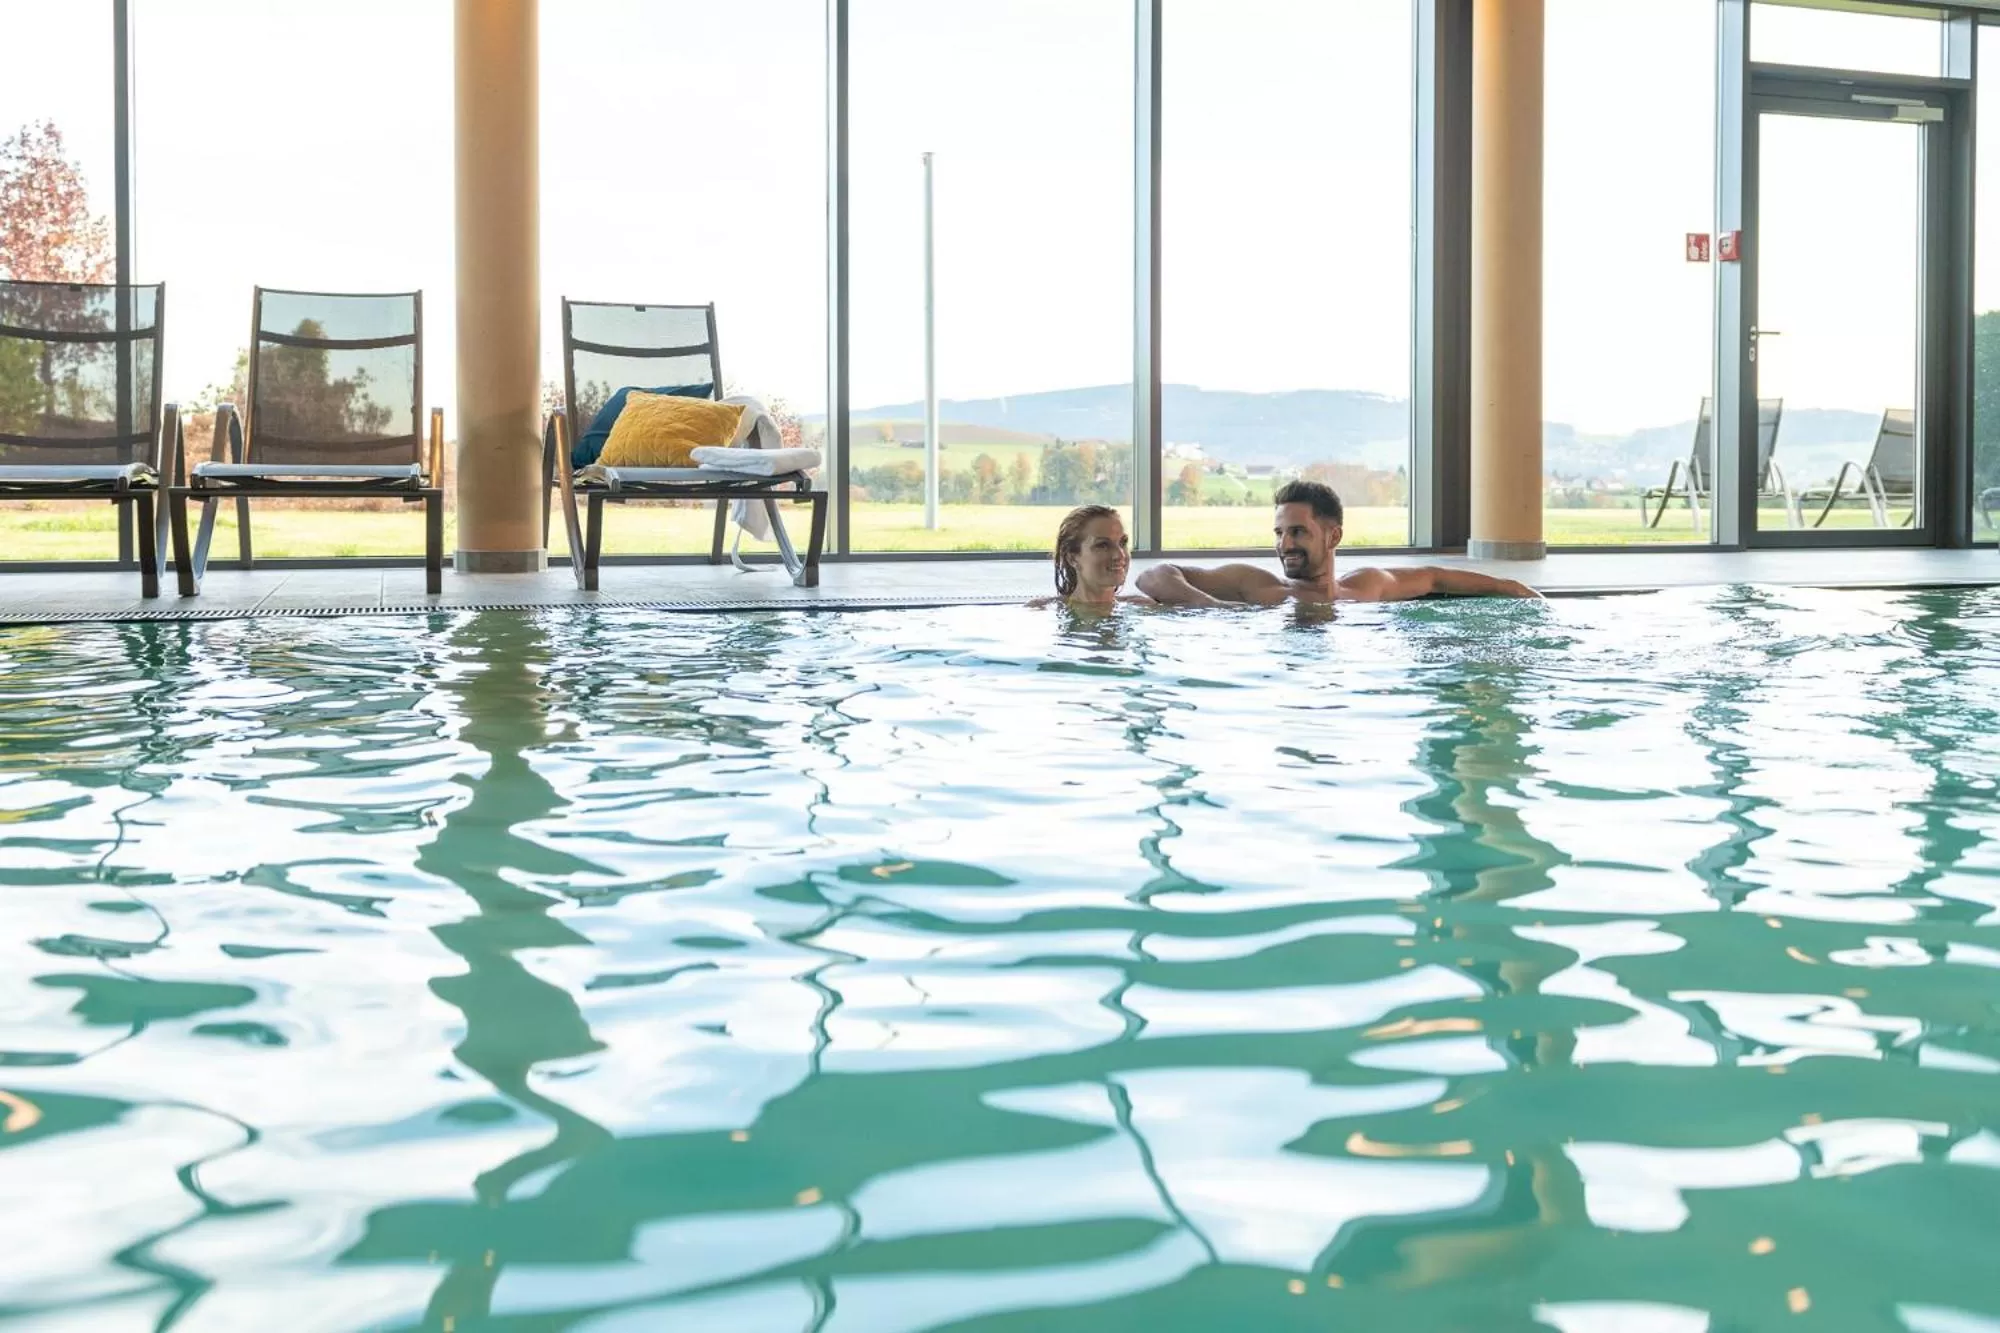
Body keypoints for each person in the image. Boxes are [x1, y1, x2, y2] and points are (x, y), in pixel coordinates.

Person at [1136, 480, 1541, 606]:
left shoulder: (1365, 586)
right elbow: (1153, 575)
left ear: (1334, 536)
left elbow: (1434, 577)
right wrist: (1214, 607)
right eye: (1279, 533)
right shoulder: (1258, 585)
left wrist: (1514, 589)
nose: (1284, 544)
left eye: (1297, 532)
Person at [1039, 504, 1149, 611]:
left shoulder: (1144, 607)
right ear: (1072, 559)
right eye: (1103, 545)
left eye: (1123, 543)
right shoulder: (1041, 609)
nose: (1120, 555)